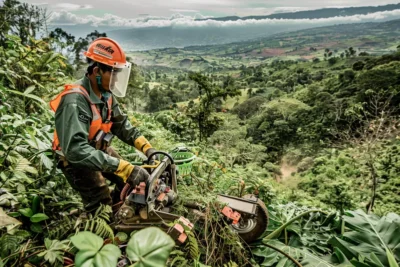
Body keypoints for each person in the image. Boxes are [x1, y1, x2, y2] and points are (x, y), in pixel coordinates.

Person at [50, 37, 155, 213]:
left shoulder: (106, 95)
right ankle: (100, 225)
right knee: (100, 197)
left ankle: (118, 211)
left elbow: (121, 125)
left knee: (128, 181)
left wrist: (147, 148)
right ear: (97, 71)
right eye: (113, 74)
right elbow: (75, 150)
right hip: (75, 159)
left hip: (97, 149)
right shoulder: (75, 101)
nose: (115, 81)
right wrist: (123, 167)